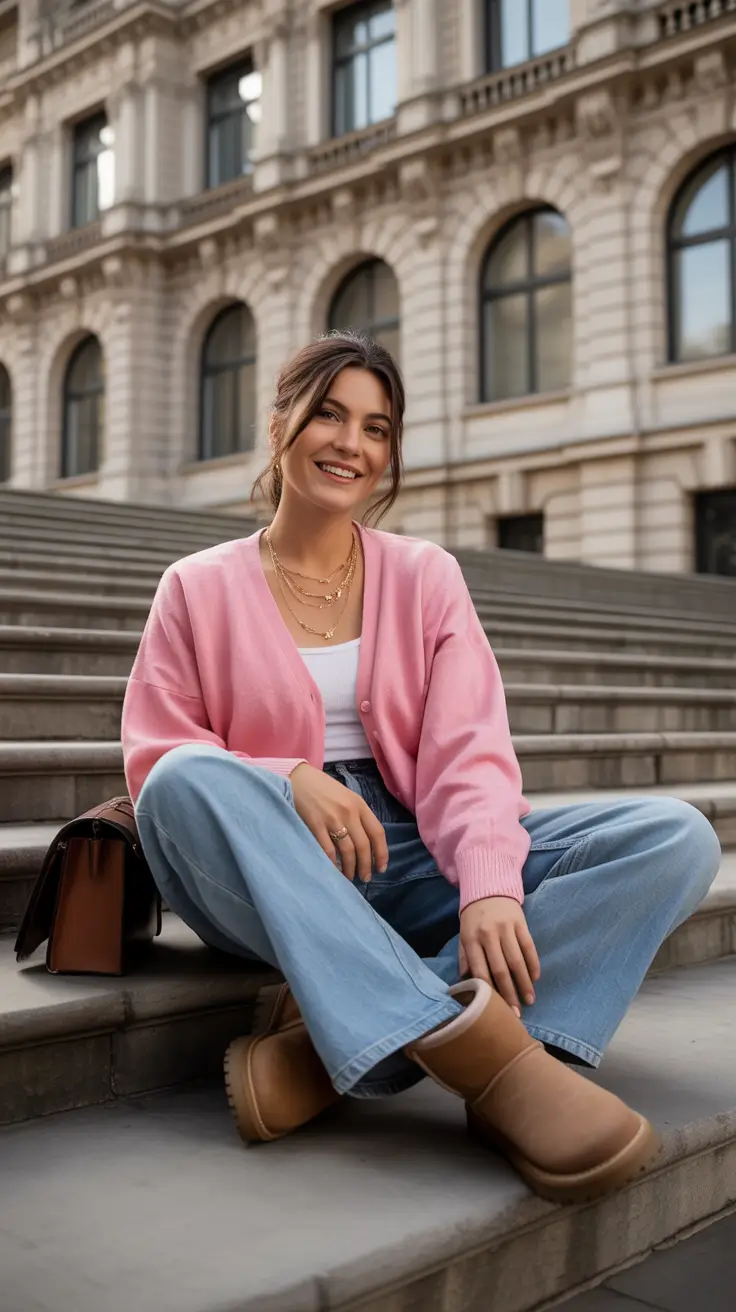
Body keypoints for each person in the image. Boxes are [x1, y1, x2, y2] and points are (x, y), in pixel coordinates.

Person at [121, 331, 720, 1204]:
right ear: (281, 422)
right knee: (183, 780)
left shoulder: (426, 576)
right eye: (328, 415)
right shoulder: (196, 585)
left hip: (409, 847)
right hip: (272, 859)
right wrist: (285, 774)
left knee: (675, 837)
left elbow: (468, 751)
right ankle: (498, 1060)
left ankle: (362, 1040)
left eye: (376, 427)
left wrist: (487, 884)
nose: (350, 445)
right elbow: (157, 746)